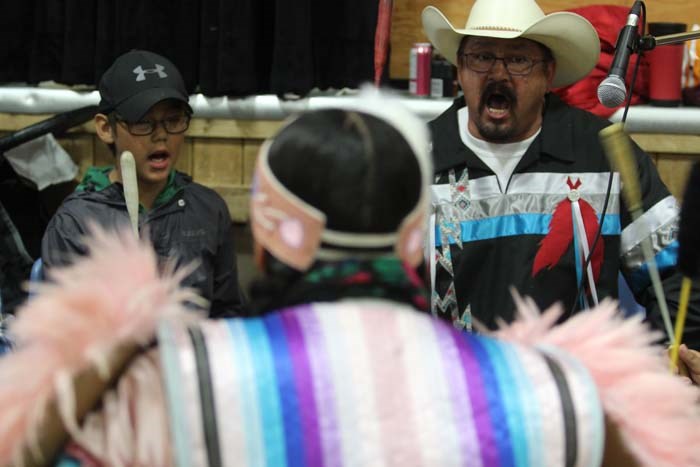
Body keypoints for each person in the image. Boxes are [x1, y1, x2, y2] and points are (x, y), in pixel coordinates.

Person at [2, 90, 699, 467]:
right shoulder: (555, 392)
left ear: (271, 233)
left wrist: (100, 348)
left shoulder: (169, 386)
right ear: (417, 235)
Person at [421, 0, 700, 353]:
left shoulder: (603, 154)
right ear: (460, 70)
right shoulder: (416, 160)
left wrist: (660, 362)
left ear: (548, 74)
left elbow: (678, 277)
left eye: (519, 60)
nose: (498, 74)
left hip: (580, 391)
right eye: (481, 57)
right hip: (459, 391)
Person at [41, 50, 244, 317]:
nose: (161, 136)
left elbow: (227, 313)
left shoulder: (207, 209)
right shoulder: (76, 223)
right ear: (105, 128)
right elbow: (61, 336)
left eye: (173, 120)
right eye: (142, 123)